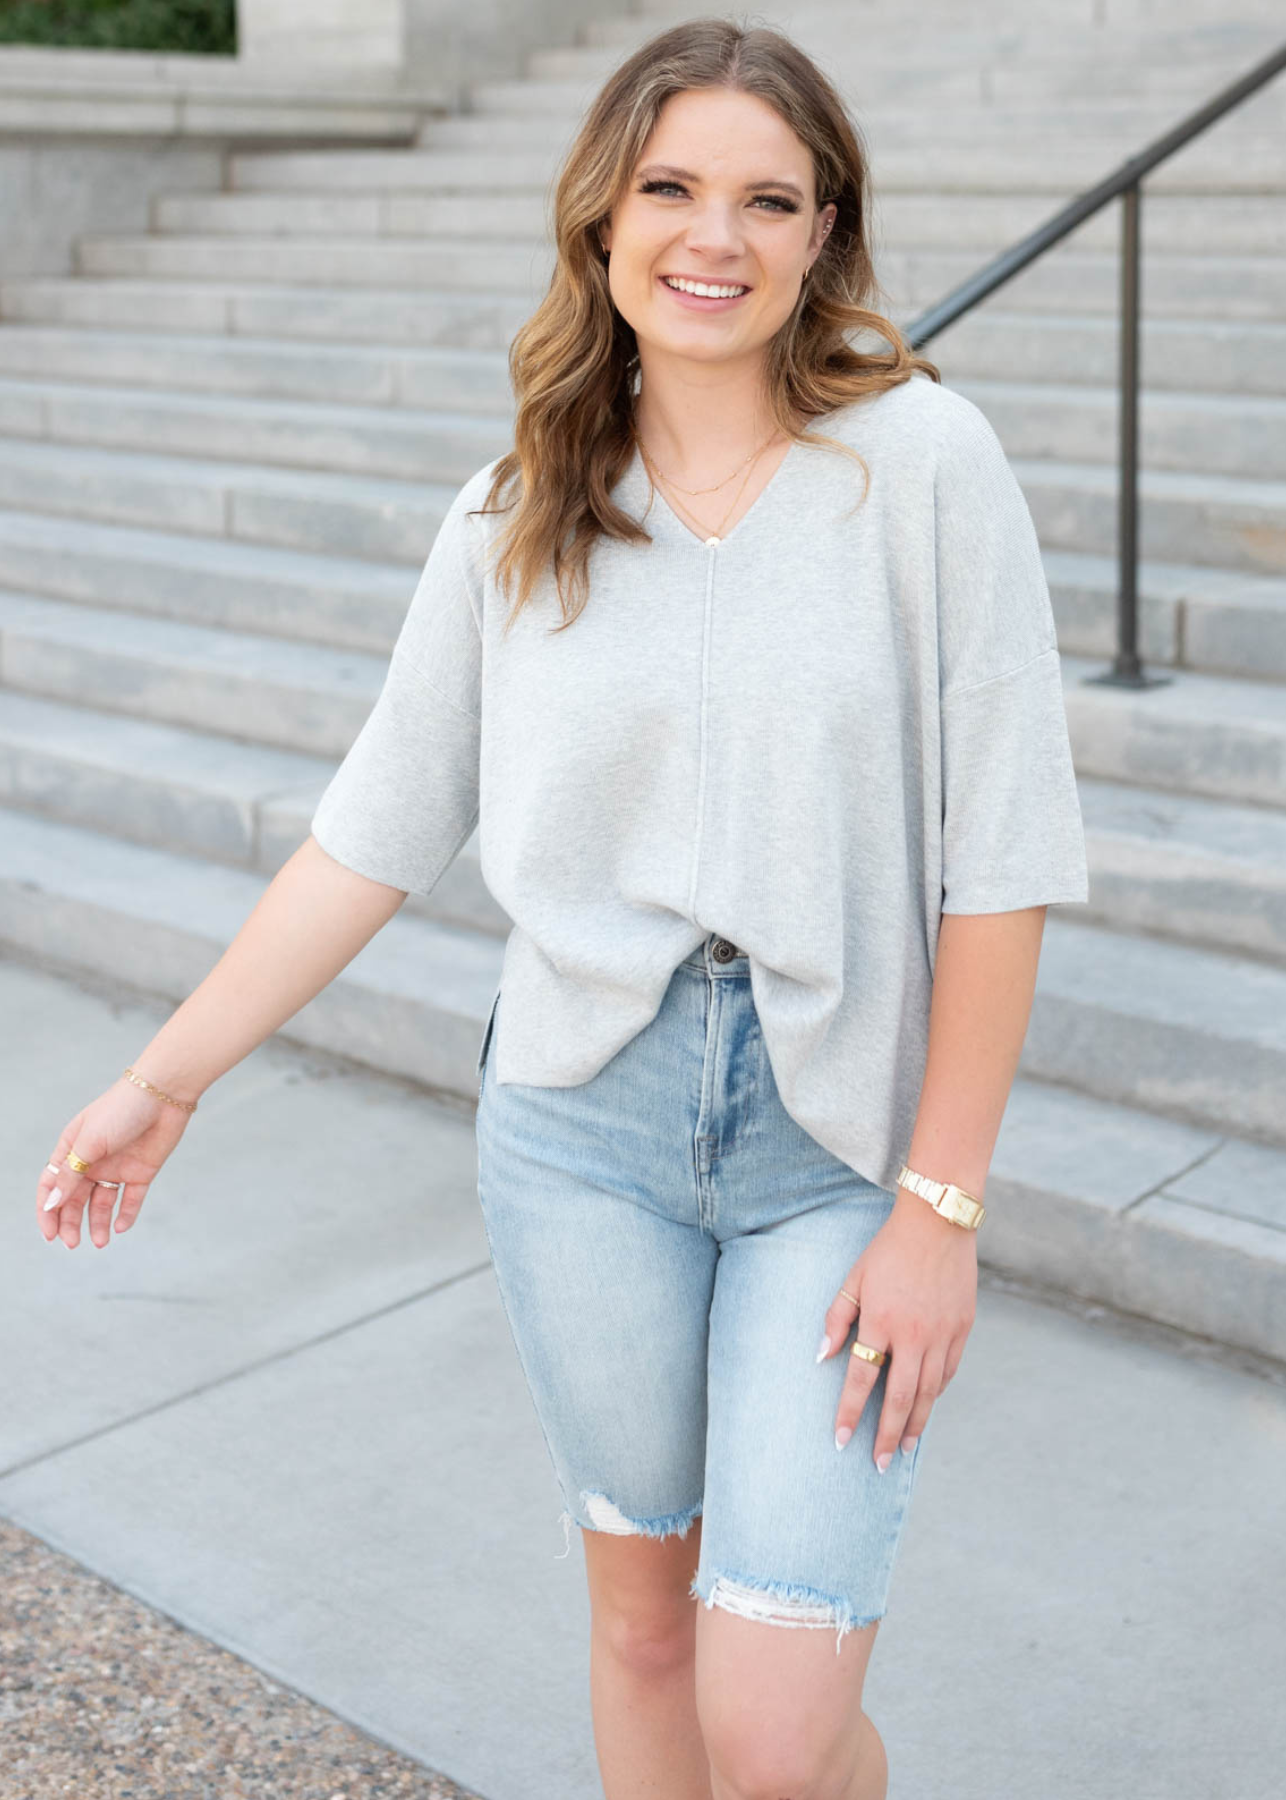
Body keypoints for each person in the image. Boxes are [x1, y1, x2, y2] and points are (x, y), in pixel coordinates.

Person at [36, 18, 1089, 1799]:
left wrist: (941, 1209)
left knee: (773, 1735)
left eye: (769, 200)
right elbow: (370, 836)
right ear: (600, 221)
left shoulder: (924, 467)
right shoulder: (517, 511)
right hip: (577, 1132)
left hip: (835, 1143)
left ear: (823, 233)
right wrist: (171, 1074)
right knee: (642, 1634)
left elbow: (1002, 861)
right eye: (670, 188)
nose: (715, 238)